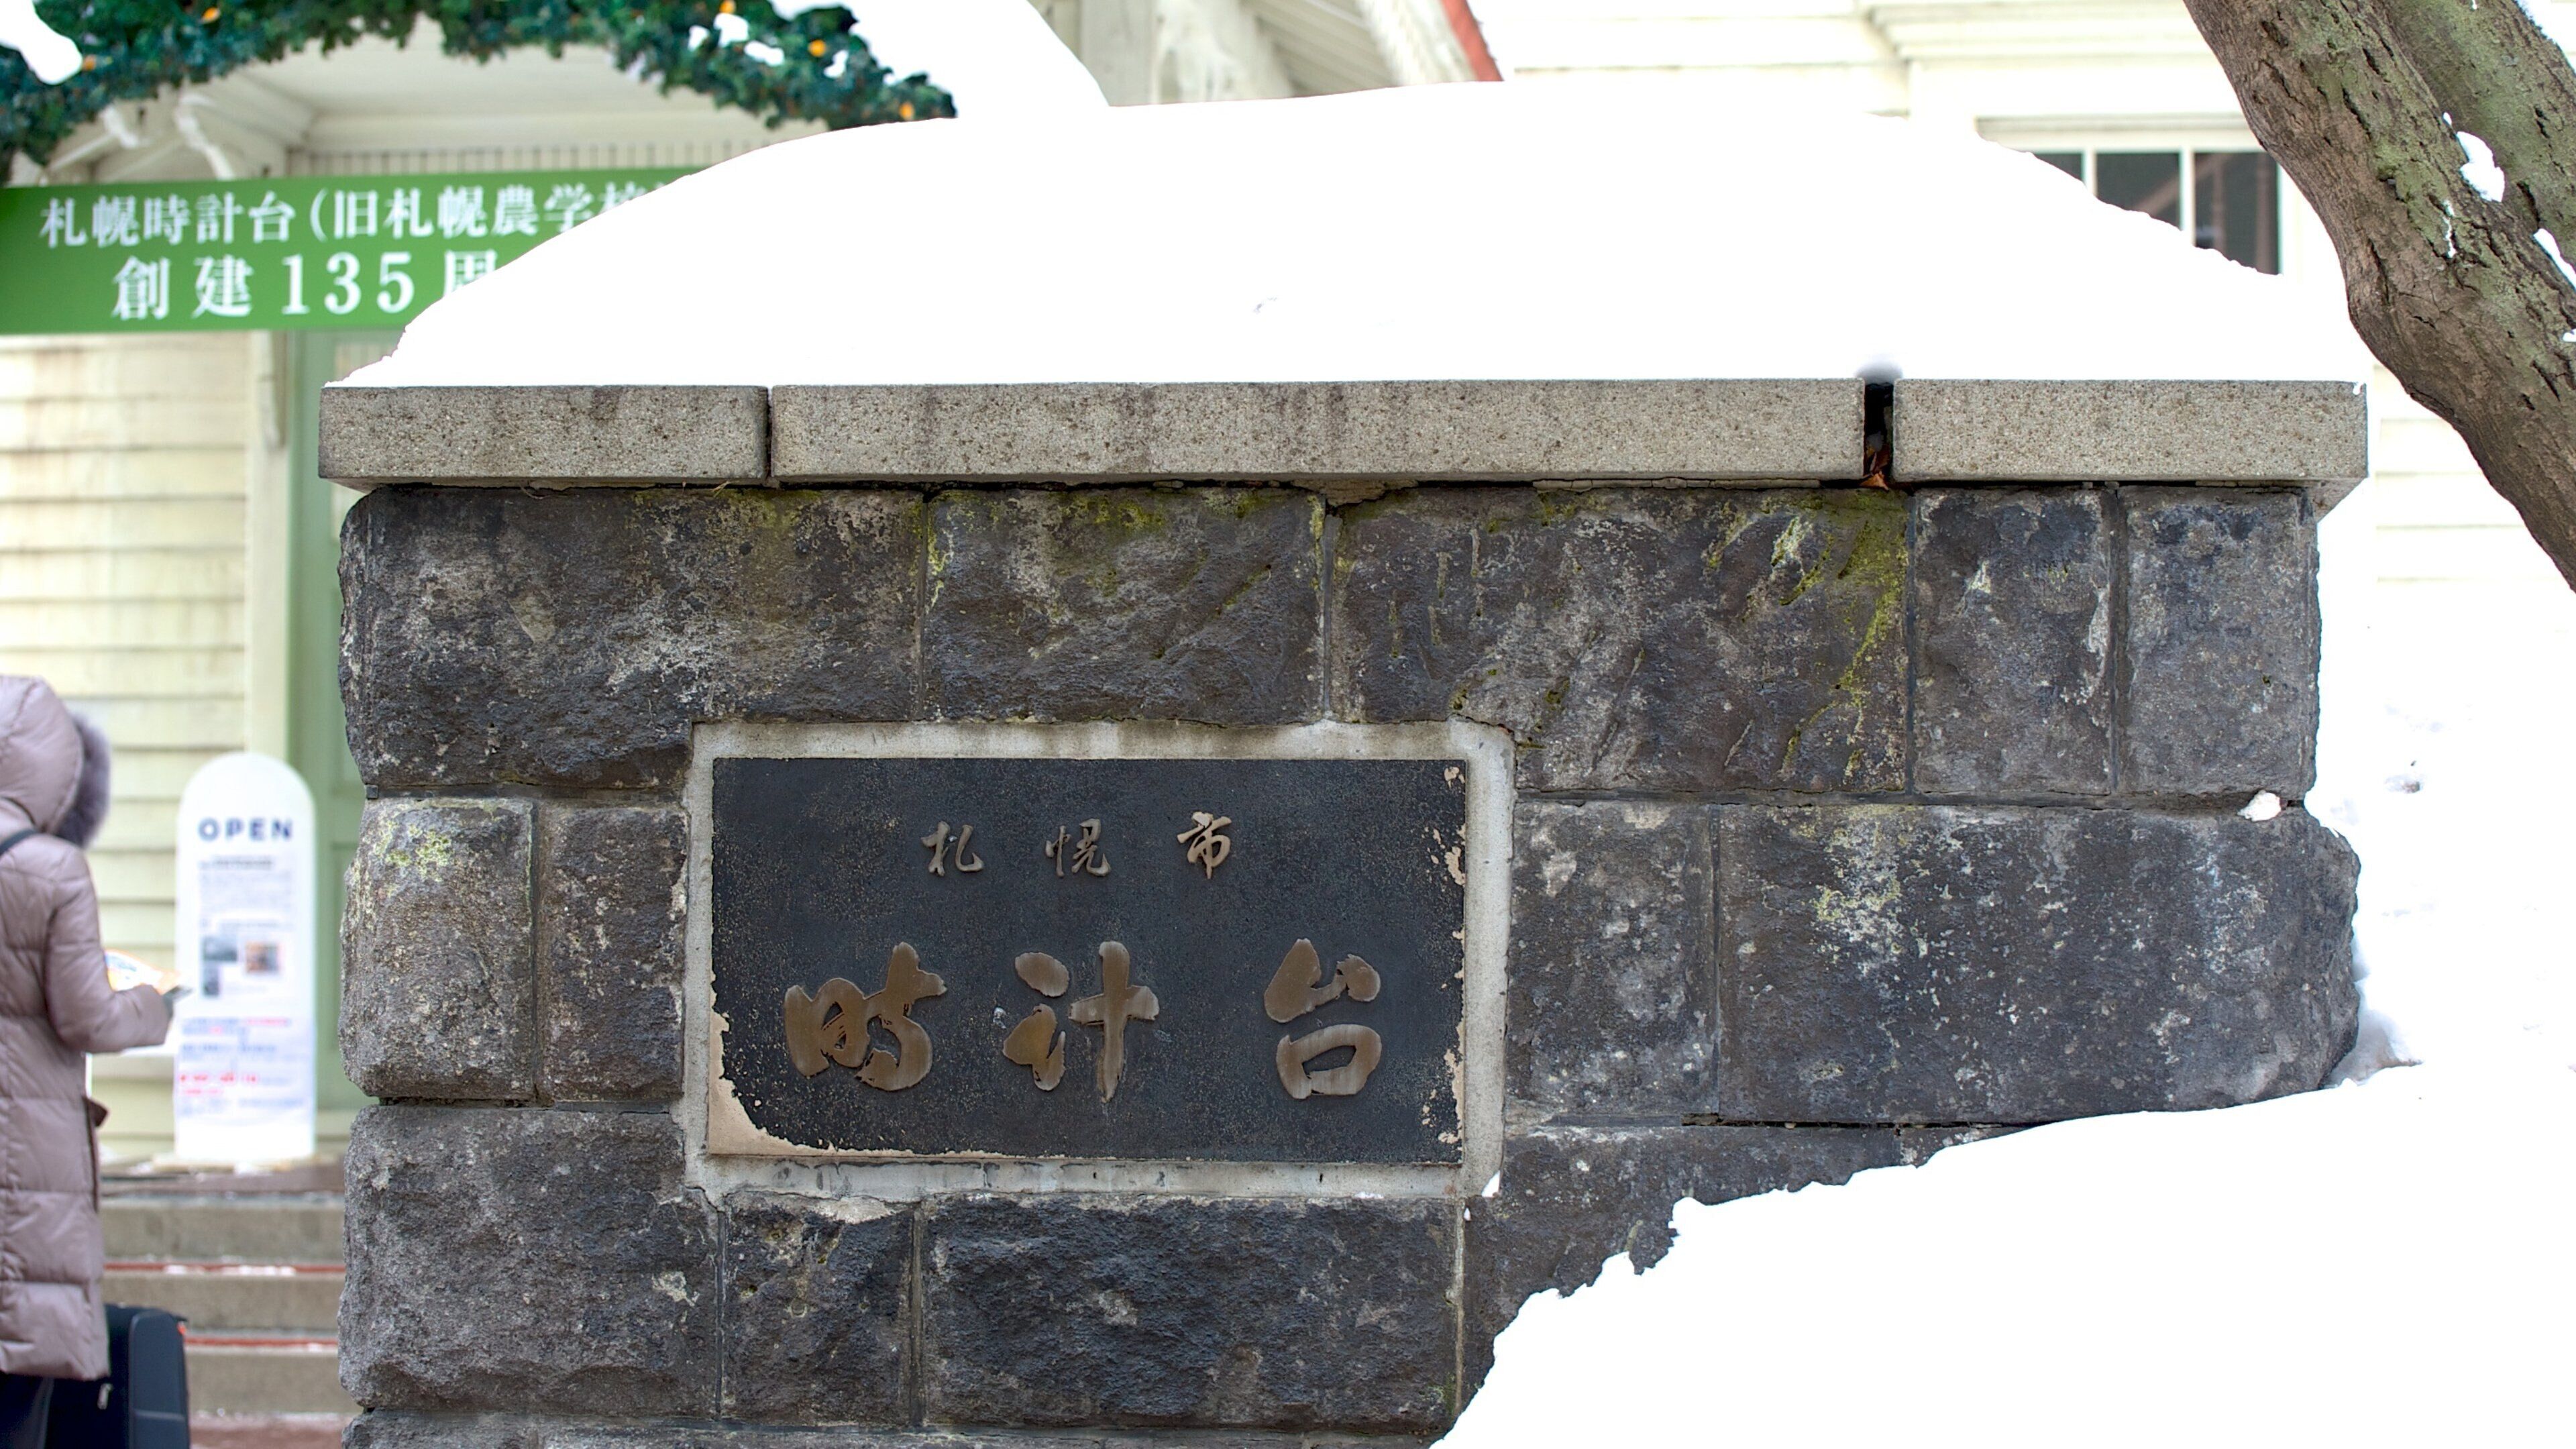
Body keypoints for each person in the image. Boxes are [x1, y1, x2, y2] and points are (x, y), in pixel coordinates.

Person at [0, 677, 174, 1444]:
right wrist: (157, 1007)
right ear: (57, 769)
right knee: (20, 1378)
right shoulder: (49, 870)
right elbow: (86, 1014)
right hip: (27, 1153)